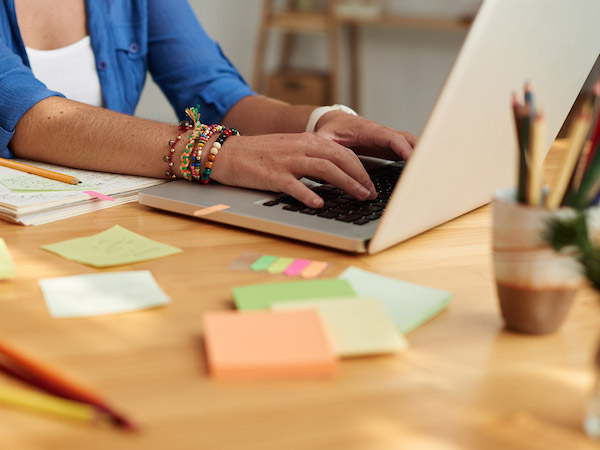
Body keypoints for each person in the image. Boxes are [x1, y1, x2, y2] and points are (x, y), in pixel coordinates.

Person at [0, 0, 417, 209]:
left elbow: (210, 90)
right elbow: (29, 115)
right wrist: (216, 153)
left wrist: (322, 120)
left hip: (95, 218)